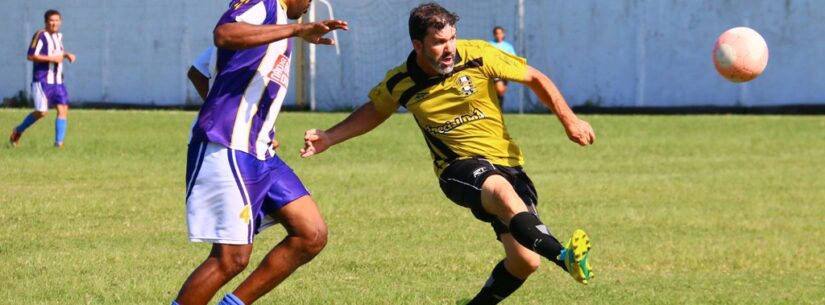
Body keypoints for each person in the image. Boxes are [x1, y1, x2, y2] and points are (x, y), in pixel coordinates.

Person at [301, 3, 594, 304]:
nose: (449, 48)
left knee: (525, 261)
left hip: (508, 162)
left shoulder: (479, 54)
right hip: (457, 168)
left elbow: (534, 77)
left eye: (452, 38)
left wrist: (570, 120)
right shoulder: (401, 82)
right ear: (418, 45)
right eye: (439, 42)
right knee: (502, 193)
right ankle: (564, 256)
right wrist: (330, 137)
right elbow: (376, 110)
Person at [172, 0, 347, 304]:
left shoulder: (278, 26)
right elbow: (224, 33)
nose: (309, 5)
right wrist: (297, 30)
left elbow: (200, 70)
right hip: (227, 145)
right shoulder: (263, 5)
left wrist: (256, 121)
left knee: (311, 233)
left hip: (260, 151)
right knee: (231, 259)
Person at [10, 9, 77, 148]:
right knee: (42, 112)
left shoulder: (58, 36)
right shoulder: (40, 35)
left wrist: (66, 54)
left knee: (63, 109)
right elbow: (31, 55)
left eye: (57, 20)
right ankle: (18, 130)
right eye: (51, 20)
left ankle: (59, 144)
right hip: (42, 81)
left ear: (61, 21)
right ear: (46, 21)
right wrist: (52, 59)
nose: (54, 23)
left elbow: (56, 52)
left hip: (58, 81)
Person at [488, 26, 516, 104]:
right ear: (494, 35)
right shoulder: (490, 45)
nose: (499, 35)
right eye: (497, 33)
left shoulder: (508, 47)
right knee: (499, 89)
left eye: (500, 33)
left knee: (501, 92)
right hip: (495, 71)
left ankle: (500, 109)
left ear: (503, 34)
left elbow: (513, 58)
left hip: (505, 71)